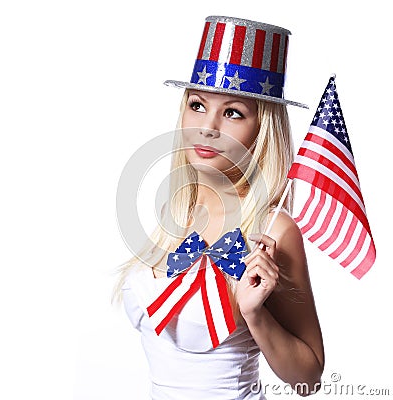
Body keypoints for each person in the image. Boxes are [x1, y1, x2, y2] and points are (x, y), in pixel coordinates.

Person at [113, 15, 324, 399]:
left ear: (262, 128)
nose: (208, 126)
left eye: (232, 112)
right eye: (197, 104)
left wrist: (256, 314)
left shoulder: (273, 231)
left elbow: (308, 380)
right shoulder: (176, 213)